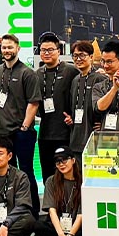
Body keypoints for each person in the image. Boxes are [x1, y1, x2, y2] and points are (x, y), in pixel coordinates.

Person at [0, 34, 42, 214]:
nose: (6, 50)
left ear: (18, 48)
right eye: (4, 47)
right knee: (5, 173)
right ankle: (9, 211)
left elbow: (34, 103)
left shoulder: (27, 73)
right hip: (1, 132)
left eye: (10, 47)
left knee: (26, 172)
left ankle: (32, 212)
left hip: (21, 133)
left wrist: (25, 127)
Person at [35, 33, 78, 183]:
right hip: (45, 134)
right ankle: (50, 198)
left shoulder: (71, 71)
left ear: (58, 51)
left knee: (67, 174)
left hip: (65, 134)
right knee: (47, 174)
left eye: (50, 50)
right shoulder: (37, 74)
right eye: (43, 50)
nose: (46, 53)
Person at [66, 40, 111, 156]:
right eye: (75, 56)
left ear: (91, 57)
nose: (78, 59)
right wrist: (71, 118)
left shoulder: (100, 78)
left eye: (82, 55)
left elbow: (110, 105)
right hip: (76, 137)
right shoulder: (75, 80)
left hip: (94, 138)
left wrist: (104, 124)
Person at [35, 148, 83, 236]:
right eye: (58, 162)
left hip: (76, 228)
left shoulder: (82, 182)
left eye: (64, 160)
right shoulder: (51, 181)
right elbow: (52, 211)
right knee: (36, 225)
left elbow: (81, 215)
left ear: (73, 160)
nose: (61, 164)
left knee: (87, 235)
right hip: (57, 228)